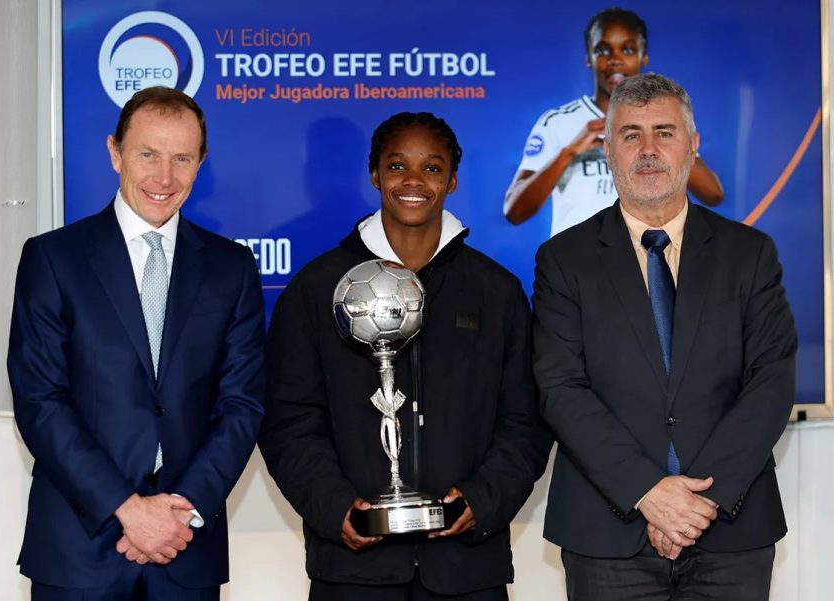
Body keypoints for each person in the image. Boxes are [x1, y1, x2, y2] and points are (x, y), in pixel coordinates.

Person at [259, 112, 551, 600]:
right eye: (397, 166)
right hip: (353, 572)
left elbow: (526, 419)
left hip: (467, 572)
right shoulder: (316, 289)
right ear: (374, 175)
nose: (414, 181)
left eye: (432, 168)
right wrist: (334, 508)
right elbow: (289, 420)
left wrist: (482, 499)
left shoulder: (495, 292)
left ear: (453, 180)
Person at [532, 73, 796, 600]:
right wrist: (649, 493)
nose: (648, 150)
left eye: (664, 133)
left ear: (693, 146)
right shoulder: (564, 260)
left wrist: (695, 506)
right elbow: (560, 388)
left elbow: (771, 381)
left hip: (731, 530)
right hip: (607, 535)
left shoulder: (751, 255)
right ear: (607, 150)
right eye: (630, 135)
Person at [8, 86, 265, 600]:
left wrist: (181, 511)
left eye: (181, 159)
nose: (164, 177)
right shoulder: (53, 259)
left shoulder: (231, 268)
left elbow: (242, 404)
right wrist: (127, 509)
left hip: (184, 548)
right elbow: (40, 401)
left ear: (201, 163)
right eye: (147, 153)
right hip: (79, 549)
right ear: (114, 152)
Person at [504, 7, 724, 237]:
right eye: (602, 50)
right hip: (578, 265)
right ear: (589, 58)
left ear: (643, 56)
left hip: (650, 260)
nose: (615, 60)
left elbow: (713, 195)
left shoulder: (664, 119)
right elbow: (515, 211)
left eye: (627, 49)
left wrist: (665, 137)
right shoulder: (558, 122)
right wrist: (568, 153)